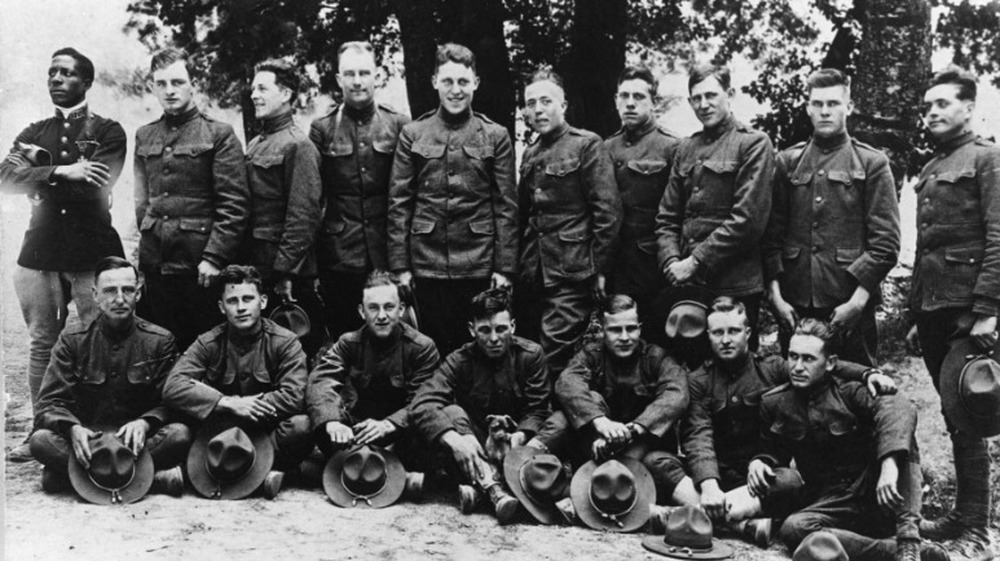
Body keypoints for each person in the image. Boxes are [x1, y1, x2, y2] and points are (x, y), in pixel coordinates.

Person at [677, 297, 897, 545]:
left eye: (733, 331)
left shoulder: (772, 368)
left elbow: (821, 363)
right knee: (659, 462)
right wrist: (708, 484)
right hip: (715, 475)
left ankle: (686, 518)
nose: (726, 339)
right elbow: (698, 434)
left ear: (748, 333)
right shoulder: (698, 380)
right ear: (708, 335)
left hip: (758, 480)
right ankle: (741, 525)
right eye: (718, 332)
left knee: (791, 481)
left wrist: (867, 372)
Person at [0, 47, 127, 461]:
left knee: (99, 341)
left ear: (86, 82)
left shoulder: (109, 131)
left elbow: (96, 186)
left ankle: (99, 428)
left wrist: (37, 181)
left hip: (94, 254)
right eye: (52, 71)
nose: (56, 78)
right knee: (42, 343)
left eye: (67, 73)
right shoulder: (34, 132)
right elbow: (4, 177)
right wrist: (60, 171)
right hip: (41, 253)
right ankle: (44, 429)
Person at [750, 319, 948, 561]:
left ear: (831, 362)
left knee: (902, 439)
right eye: (793, 356)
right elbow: (771, 451)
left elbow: (900, 408)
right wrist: (760, 461)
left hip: (877, 491)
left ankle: (908, 540)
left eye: (809, 359)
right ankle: (891, 551)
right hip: (832, 501)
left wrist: (888, 465)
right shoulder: (776, 403)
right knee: (794, 529)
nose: (798, 366)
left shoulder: (850, 391)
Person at [905, 67, 999, 555]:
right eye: (927, 106)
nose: (932, 113)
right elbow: (927, 249)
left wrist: (988, 310)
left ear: (969, 107)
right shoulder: (931, 167)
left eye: (942, 104)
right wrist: (914, 316)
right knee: (952, 412)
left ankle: (978, 533)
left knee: (970, 412)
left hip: (969, 312)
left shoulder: (988, 159)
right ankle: (962, 516)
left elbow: (999, 237)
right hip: (935, 309)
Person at [763, 68, 900, 366]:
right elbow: (771, 237)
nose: (825, 111)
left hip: (848, 302)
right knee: (796, 386)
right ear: (808, 108)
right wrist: (775, 297)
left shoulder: (871, 163)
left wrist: (857, 303)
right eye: (818, 104)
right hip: (795, 303)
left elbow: (885, 245)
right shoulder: (787, 162)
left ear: (848, 107)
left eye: (834, 103)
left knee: (857, 386)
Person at [387, 42, 518, 355]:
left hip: (478, 262)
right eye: (447, 81)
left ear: (475, 83)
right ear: (435, 82)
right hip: (426, 263)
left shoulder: (495, 135)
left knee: (477, 348)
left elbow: (506, 207)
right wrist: (400, 266)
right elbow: (399, 202)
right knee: (430, 347)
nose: (455, 90)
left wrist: (505, 268)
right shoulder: (414, 134)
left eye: (463, 81)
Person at [30, 256, 189, 496]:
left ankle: (80, 478)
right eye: (109, 290)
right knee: (40, 441)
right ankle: (151, 478)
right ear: (95, 294)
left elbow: (171, 401)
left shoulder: (160, 341)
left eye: (127, 290)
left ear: (138, 294)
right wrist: (73, 429)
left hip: (137, 443)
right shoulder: (73, 340)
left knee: (180, 434)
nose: (119, 299)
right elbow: (50, 402)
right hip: (90, 442)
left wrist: (145, 423)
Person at [134, 47, 250, 351]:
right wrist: (150, 242)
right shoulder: (145, 136)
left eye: (177, 82)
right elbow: (141, 200)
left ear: (193, 85)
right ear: (154, 87)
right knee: (160, 344)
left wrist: (214, 257)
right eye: (161, 84)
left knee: (204, 347)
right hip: (157, 263)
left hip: (199, 267)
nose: (169, 91)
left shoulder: (218, 134)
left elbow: (234, 205)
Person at [163, 265, 312, 498]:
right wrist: (228, 403)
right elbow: (173, 386)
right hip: (218, 436)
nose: (241, 307)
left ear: (262, 302)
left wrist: (247, 406)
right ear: (222, 307)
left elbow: (294, 396)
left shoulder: (285, 341)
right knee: (178, 432)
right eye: (233, 301)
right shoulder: (208, 342)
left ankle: (260, 468)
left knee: (301, 426)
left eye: (248, 299)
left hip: (265, 434)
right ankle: (262, 473)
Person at [655, 63, 774, 350]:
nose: (703, 105)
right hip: (687, 284)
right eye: (696, 98)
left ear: (729, 94)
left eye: (711, 95)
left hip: (734, 283)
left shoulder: (753, 144)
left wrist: (695, 262)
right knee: (690, 365)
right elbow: (667, 217)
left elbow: (747, 220)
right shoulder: (686, 148)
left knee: (735, 369)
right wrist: (671, 262)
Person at [409, 288, 551, 524]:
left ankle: (483, 490)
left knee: (554, 423)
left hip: (515, 446)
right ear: (472, 329)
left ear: (513, 327)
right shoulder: (459, 360)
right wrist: (456, 440)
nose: (494, 338)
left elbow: (538, 410)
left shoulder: (531, 355)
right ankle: (495, 489)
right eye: (485, 330)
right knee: (452, 413)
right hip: (475, 445)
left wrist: (517, 438)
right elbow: (421, 403)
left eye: (501, 329)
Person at [516, 67, 622, 376]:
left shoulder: (587, 145)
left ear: (563, 105)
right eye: (531, 103)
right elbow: (526, 214)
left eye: (546, 101)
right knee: (527, 350)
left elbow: (608, 213)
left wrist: (601, 269)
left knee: (552, 356)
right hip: (534, 271)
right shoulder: (531, 153)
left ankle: (548, 421)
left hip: (573, 271)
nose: (538, 109)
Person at [540, 294, 692, 507]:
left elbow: (676, 395)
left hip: (641, 451)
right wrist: (601, 423)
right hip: (596, 450)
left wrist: (632, 430)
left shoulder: (656, 358)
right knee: (571, 411)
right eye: (614, 330)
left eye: (631, 328)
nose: (624, 337)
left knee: (658, 462)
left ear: (640, 328)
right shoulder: (592, 355)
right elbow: (567, 382)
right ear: (602, 331)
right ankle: (529, 466)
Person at [310, 41, 410, 341]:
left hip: (387, 250)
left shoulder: (399, 124)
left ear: (376, 76)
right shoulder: (322, 129)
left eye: (364, 72)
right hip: (340, 254)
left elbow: (407, 195)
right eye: (349, 74)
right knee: (345, 334)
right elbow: (313, 198)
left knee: (393, 333)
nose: (357, 81)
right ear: (339, 79)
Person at [306, 270, 439, 465]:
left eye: (389, 307)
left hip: (400, 433)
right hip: (357, 433)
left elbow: (423, 401)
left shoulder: (421, 347)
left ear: (401, 309)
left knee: (427, 430)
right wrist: (332, 420)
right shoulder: (349, 343)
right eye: (374, 308)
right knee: (311, 425)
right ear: (362, 312)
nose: (382, 316)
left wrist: (390, 424)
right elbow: (321, 380)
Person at [242, 58, 325, 357]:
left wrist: (285, 273)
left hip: (285, 276)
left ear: (286, 94)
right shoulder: (255, 144)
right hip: (259, 267)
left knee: (292, 350)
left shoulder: (297, 146)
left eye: (263, 88)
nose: (254, 95)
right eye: (253, 88)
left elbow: (303, 216)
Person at [604, 66, 679, 347]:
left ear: (654, 102)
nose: (630, 103)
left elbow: (677, 214)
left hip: (653, 270)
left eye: (639, 96)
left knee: (656, 344)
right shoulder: (606, 147)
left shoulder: (672, 147)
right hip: (616, 269)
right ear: (615, 100)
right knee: (619, 343)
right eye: (624, 96)